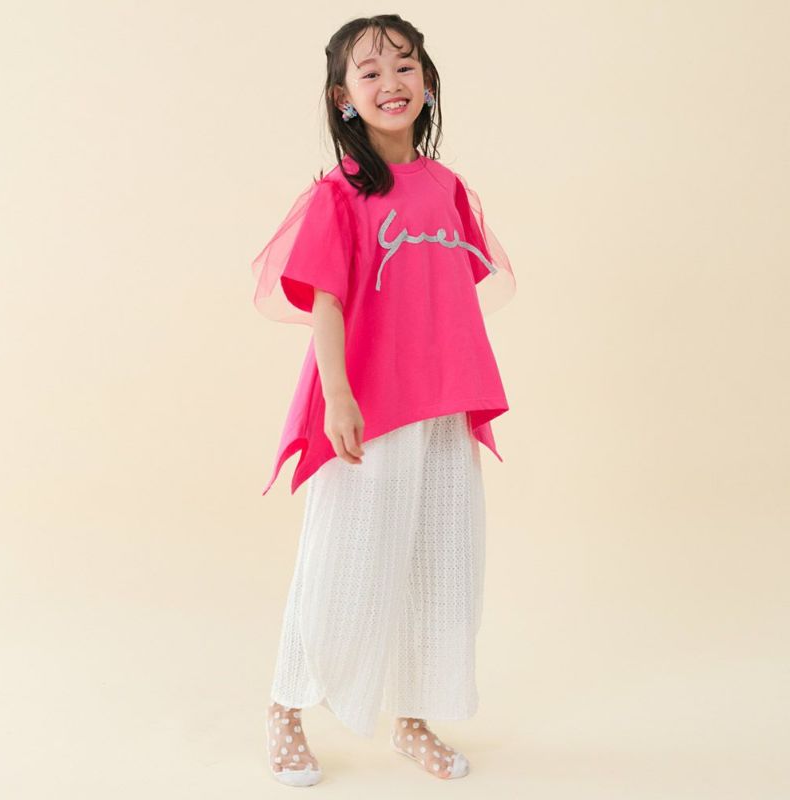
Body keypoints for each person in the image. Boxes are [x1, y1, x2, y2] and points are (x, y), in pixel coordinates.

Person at [251, 14, 516, 787]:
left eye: (405, 67)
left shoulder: (447, 187)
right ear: (344, 98)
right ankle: (285, 706)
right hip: (369, 407)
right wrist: (338, 396)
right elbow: (328, 302)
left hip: (443, 403)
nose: (391, 83)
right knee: (343, 558)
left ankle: (413, 716)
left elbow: (446, 294)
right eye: (370, 73)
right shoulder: (339, 195)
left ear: (427, 82)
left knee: (439, 561)